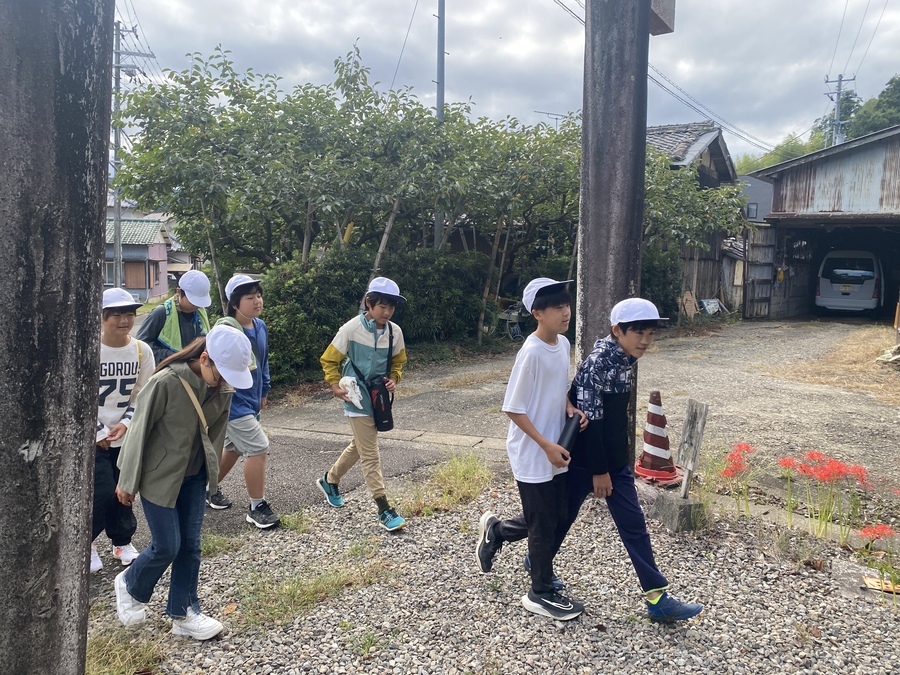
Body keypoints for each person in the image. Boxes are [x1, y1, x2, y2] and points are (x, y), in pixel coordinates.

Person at [563, 297, 703, 623]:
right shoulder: (598, 363)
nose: (645, 340)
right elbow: (591, 423)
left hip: (613, 462)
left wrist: (615, 465)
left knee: (634, 525)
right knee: (554, 520)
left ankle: (657, 599)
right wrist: (599, 471)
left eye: (650, 334)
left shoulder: (626, 359)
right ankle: (510, 540)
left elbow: (614, 423)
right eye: (639, 332)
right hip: (585, 461)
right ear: (618, 330)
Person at [114, 325, 253, 640]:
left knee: (191, 545)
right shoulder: (165, 382)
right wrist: (127, 480)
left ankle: (184, 613)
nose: (225, 381)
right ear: (204, 359)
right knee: (167, 545)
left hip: (194, 476)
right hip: (158, 476)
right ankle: (130, 584)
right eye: (222, 374)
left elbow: (216, 436)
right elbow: (138, 431)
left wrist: (211, 478)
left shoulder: (223, 389)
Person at [474, 278, 587, 621]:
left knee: (556, 513)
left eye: (567, 305)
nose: (566, 312)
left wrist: (569, 407)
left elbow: (557, 389)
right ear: (537, 313)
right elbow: (513, 408)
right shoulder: (531, 352)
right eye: (557, 307)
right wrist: (545, 445)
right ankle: (540, 592)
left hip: (556, 446)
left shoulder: (562, 344)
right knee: (543, 523)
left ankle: (497, 532)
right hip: (533, 450)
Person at [315, 277, 408, 531]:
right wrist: (334, 385)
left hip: (378, 395)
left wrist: (394, 379)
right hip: (354, 394)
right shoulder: (351, 328)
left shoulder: (395, 332)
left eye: (391, 307)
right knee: (370, 452)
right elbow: (329, 359)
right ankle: (384, 508)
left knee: (361, 444)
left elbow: (399, 362)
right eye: (382, 306)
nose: (386, 312)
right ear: (369, 303)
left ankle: (330, 480)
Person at [206, 274, 279, 529]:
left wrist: (264, 391)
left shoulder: (260, 326)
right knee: (258, 446)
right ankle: (256, 507)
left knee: (234, 448)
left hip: (252, 399)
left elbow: (263, 360)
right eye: (250, 297)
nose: (257, 301)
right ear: (235, 303)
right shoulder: (224, 331)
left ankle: (206, 490)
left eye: (258, 295)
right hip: (232, 401)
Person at [92, 288, 155, 573]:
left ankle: (122, 542)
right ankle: (87, 542)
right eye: (116, 314)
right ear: (102, 317)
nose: (124, 320)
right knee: (101, 491)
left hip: (125, 435)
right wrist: (98, 432)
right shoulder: (89, 349)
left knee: (124, 489)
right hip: (93, 438)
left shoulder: (142, 351)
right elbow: (77, 396)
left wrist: (126, 424)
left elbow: (143, 394)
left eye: (129, 314)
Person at [136, 269, 211, 365]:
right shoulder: (161, 313)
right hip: (166, 369)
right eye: (193, 301)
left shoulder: (200, 313)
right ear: (179, 292)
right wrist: (173, 356)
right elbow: (141, 345)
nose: (197, 305)